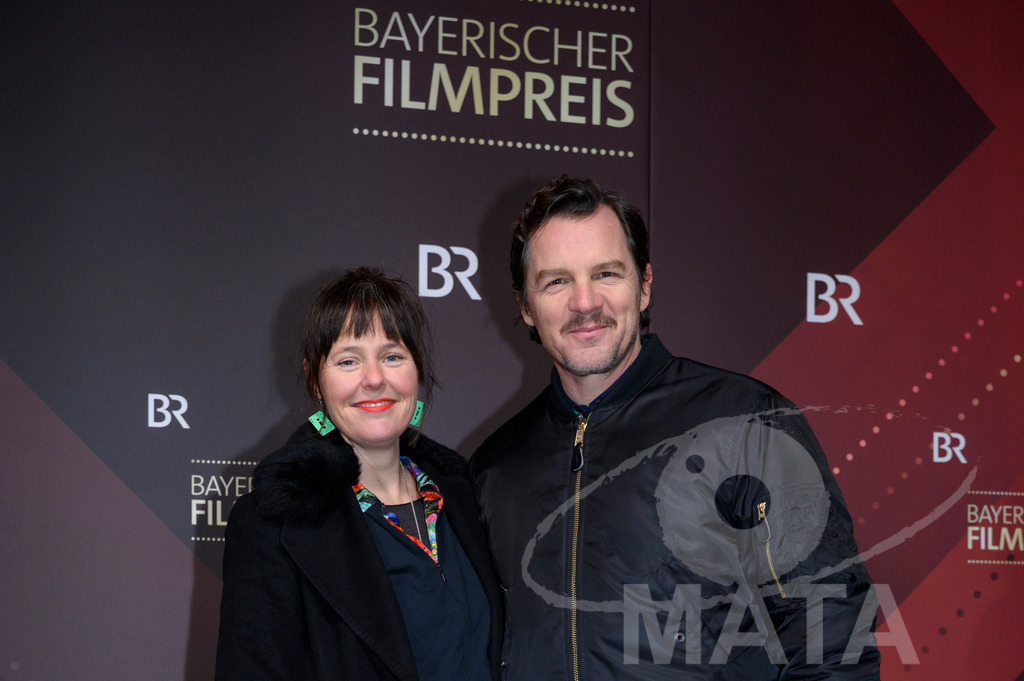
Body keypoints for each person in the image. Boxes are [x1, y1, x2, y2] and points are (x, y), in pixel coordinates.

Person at [471, 177, 880, 680]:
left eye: (606, 273)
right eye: (556, 281)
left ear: (643, 286)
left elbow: (830, 637)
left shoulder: (744, 423)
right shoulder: (495, 467)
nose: (584, 302)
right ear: (525, 307)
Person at [216, 268, 502, 681]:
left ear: (416, 371)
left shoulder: (467, 496)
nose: (373, 379)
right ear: (316, 379)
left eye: (392, 356)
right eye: (348, 360)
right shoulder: (272, 524)